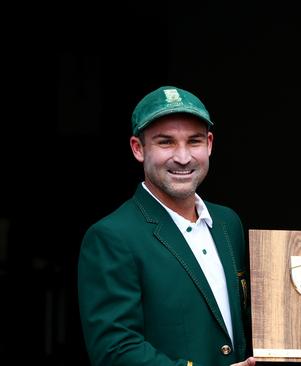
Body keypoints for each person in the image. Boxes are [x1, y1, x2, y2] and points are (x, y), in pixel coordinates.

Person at [78, 86, 255, 366]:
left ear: (209, 144)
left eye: (194, 141)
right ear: (138, 148)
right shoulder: (112, 236)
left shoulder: (227, 223)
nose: (183, 157)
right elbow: (116, 352)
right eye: (166, 142)